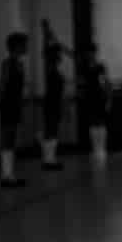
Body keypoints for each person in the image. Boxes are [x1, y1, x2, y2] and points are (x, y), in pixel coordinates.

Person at [0, 32, 29, 187]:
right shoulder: (8, 63)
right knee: (6, 138)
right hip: (8, 105)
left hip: (15, 104)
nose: (26, 47)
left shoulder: (20, 64)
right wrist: (3, 103)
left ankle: (9, 174)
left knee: (11, 139)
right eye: (24, 44)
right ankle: (6, 175)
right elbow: (2, 86)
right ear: (16, 46)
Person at [40, 19, 70, 170]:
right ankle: (48, 159)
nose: (60, 56)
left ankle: (50, 158)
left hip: (56, 102)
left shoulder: (56, 71)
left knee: (53, 129)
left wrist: (51, 34)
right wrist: (46, 32)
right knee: (50, 129)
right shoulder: (49, 69)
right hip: (51, 102)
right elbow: (46, 47)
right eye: (58, 54)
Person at [77, 42, 111, 162]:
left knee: (101, 122)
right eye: (88, 53)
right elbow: (81, 83)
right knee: (92, 122)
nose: (90, 55)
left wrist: (107, 99)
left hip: (99, 97)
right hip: (89, 98)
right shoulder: (83, 67)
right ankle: (95, 148)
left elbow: (105, 83)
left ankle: (102, 148)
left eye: (92, 52)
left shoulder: (100, 67)